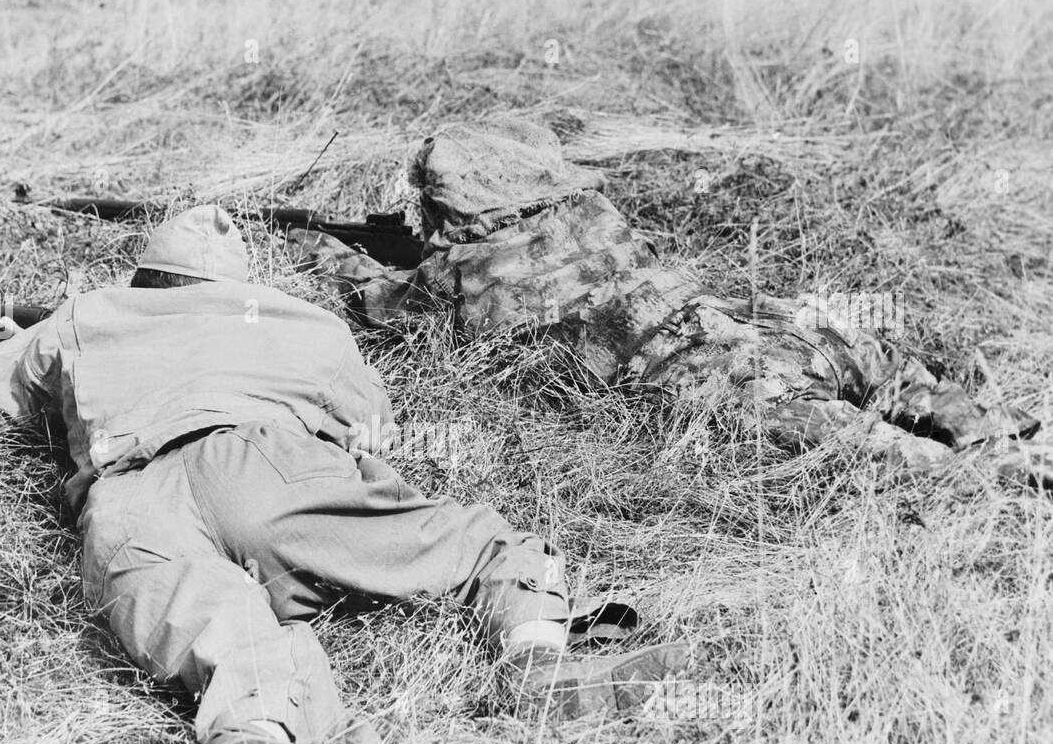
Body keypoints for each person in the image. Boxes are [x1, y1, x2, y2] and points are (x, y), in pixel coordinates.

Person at [0, 205, 686, 744]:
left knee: (224, 626)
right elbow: (372, 424)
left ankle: (254, 740)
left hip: (132, 492)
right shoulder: (305, 321)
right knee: (481, 546)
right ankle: (536, 659)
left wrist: (15, 349)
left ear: (146, 276)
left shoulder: (89, 313)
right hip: (272, 469)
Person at [287, 119, 1049, 489]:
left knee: (862, 450)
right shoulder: (592, 213)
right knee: (880, 366)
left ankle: (1001, 480)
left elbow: (368, 296)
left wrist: (315, 240)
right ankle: (980, 421)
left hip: (712, 370)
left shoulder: (460, 278)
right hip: (757, 318)